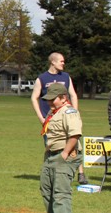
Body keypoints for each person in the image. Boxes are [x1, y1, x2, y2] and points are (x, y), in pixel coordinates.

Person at [31, 52, 88, 184]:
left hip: (66, 117)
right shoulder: (42, 78)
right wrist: (41, 118)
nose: (63, 63)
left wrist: (75, 112)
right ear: (53, 62)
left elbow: (73, 94)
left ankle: (81, 173)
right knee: (51, 145)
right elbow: (34, 97)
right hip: (50, 120)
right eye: (61, 61)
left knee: (74, 142)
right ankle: (51, 171)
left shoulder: (66, 77)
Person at [40, 83, 82, 213]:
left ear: (63, 98)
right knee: (46, 188)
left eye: (53, 99)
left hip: (65, 155)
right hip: (50, 155)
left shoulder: (69, 112)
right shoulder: (54, 112)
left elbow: (75, 134)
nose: (49, 102)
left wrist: (65, 153)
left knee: (60, 191)